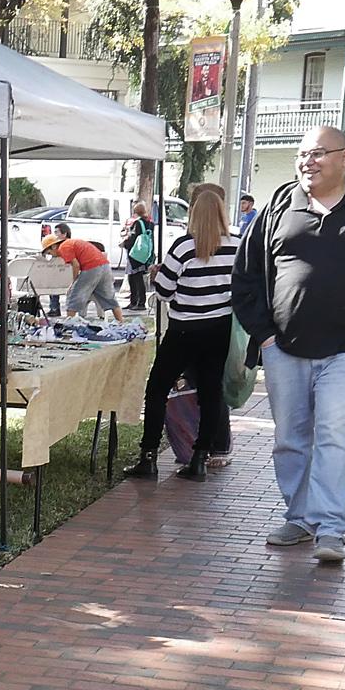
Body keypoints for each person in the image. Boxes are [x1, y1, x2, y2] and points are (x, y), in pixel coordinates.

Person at [232, 124, 345, 566]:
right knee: (290, 439)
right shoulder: (279, 204)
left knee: (334, 431)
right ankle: (299, 518)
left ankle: (331, 527)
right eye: (302, 154)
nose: (307, 162)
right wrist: (265, 335)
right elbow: (246, 275)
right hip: (284, 346)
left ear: (344, 157)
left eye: (317, 154)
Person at [128, 185, 238, 483]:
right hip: (219, 327)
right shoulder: (237, 245)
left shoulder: (184, 246)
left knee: (157, 389)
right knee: (210, 392)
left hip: (184, 329)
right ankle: (201, 458)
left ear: (193, 213)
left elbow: (164, 291)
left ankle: (148, 456)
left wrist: (157, 275)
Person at [49, 223, 121, 321]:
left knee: (73, 296)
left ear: (53, 247)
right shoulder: (73, 242)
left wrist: (74, 281)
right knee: (110, 298)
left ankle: (69, 323)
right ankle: (120, 321)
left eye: (49, 252)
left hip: (92, 267)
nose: (52, 255)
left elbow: (76, 265)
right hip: (105, 266)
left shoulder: (63, 247)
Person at [119, 201, 154, 312]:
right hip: (144, 254)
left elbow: (133, 237)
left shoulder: (138, 223)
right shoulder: (150, 223)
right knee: (136, 277)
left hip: (135, 254)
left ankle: (138, 302)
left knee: (135, 278)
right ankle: (136, 301)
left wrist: (124, 242)